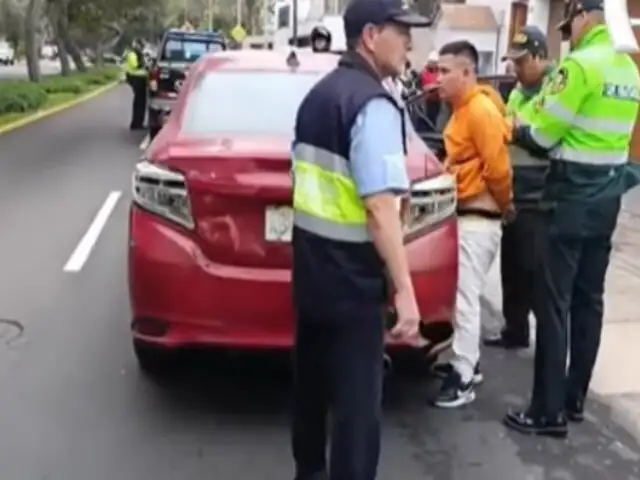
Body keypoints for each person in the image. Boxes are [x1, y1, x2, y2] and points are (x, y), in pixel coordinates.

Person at [290, 0, 432, 478]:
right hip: (353, 287)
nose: (409, 41)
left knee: (310, 395)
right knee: (355, 416)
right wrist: (406, 293)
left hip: (312, 278)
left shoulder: (319, 96)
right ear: (371, 36)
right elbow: (378, 209)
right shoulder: (371, 104)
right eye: (401, 30)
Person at [504, 0, 640, 437]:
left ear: (583, 16)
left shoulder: (578, 67)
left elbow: (544, 135)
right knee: (588, 301)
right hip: (606, 203)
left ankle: (547, 411)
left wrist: (517, 130)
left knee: (553, 304)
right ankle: (575, 399)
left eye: (570, 25)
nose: (569, 33)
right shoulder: (629, 70)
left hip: (567, 200)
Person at [431, 40, 514, 409]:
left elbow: (498, 169)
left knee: (466, 299)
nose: (439, 78)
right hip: (468, 216)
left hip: (480, 219)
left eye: (446, 71)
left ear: (467, 73)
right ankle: (469, 361)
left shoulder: (479, 110)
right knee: (461, 296)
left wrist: (504, 203)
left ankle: (463, 376)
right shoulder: (462, 110)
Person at [484, 26, 556, 350]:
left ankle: (547, 344)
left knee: (535, 271)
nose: (515, 68)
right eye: (512, 62)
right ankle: (515, 330)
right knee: (511, 265)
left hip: (539, 194)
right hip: (513, 191)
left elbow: (543, 138)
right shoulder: (516, 91)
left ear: (541, 56)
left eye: (522, 61)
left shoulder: (555, 90)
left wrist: (514, 130)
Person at [125, 38, 148, 131]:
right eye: (141, 45)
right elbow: (134, 65)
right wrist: (144, 64)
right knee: (139, 103)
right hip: (136, 79)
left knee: (141, 103)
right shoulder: (132, 53)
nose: (142, 47)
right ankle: (136, 124)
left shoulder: (139, 53)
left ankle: (139, 123)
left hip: (141, 79)